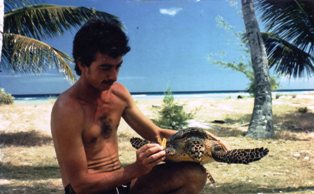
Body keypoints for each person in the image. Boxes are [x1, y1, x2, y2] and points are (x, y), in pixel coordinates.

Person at [51, 18, 207, 194]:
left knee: (193, 174)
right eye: (105, 68)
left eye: (118, 67)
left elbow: (156, 134)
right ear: (82, 64)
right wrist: (136, 169)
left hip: (120, 185)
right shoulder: (67, 109)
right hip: (90, 191)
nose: (114, 76)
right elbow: (80, 186)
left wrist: (202, 139)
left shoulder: (118, 93)